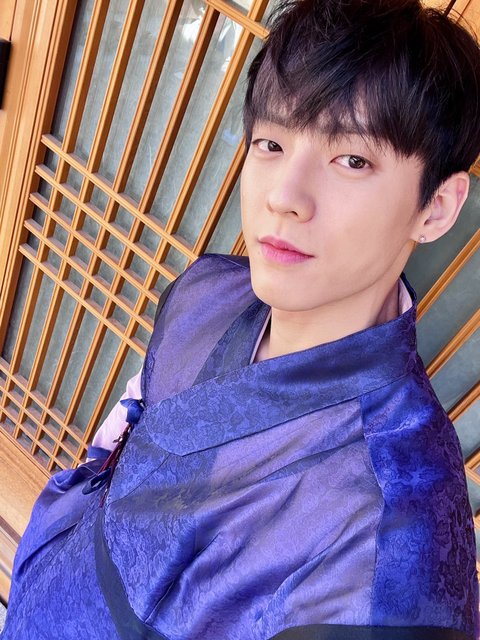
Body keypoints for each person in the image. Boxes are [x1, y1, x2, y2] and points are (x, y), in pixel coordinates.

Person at [2, 0, 480, 638]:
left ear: (436, 207)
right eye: (271, 143)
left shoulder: (395, 538)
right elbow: (130, 431)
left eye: (352, 160)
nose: (284, 196)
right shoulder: (208, 292)